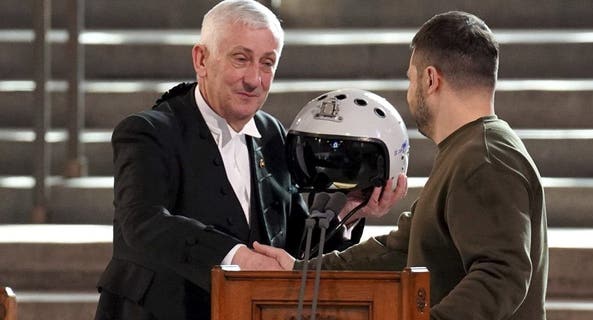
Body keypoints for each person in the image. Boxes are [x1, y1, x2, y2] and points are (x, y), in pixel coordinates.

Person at [93, 1, 407, 319]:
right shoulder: (147, 132)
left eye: (267, 63)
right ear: (201, 59)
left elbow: (293, 252)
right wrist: (238, 257)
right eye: (241, 59)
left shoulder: (273, 134)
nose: (254, 80)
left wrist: (349, 213)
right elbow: (143, 223)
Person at [255, 11, 549, 320]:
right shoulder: (469, 149)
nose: (410, 93)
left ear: (430, 79)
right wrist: (301, 269)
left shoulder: (485, 158)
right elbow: (398, 249)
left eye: (411, 79)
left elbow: (502, 274)